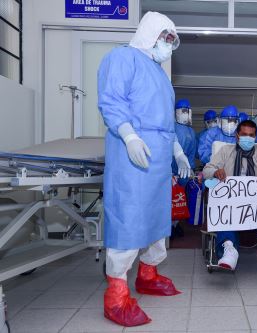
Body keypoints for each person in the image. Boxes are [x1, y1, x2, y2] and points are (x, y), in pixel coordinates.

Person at [97, 12, 189, 327]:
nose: (169, 46)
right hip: (131, 155)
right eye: (165, 37)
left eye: (172, 41)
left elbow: (165, 122)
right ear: (150, 33)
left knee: (156, 217)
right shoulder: (122, 58)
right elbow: (111, 101)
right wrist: (129, 135)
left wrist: (177, 151)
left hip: (160, 158)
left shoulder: (161, 76)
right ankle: (117, 294)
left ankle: (148, 273)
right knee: (129, 217)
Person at [203, 120, 257, 270]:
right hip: (230, 200)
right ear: (237, 136)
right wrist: (215, 171)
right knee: (224, 212)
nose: (248, 138)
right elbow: (207, 169)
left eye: (251, 135)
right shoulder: (226, 151)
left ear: (256, 136)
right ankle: (229, 249)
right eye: (244, 135)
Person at [171, 99, 196, 238]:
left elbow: (192, 152)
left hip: (184, 172)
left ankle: (175, 224)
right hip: (170, 172)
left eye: (187, 111)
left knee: (181, 200)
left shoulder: (191, 132)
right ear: (176, 113)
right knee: (169, 200)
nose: (185, 114)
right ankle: (168, 226)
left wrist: (190, 168)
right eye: (183, 111)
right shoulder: (171, 128)